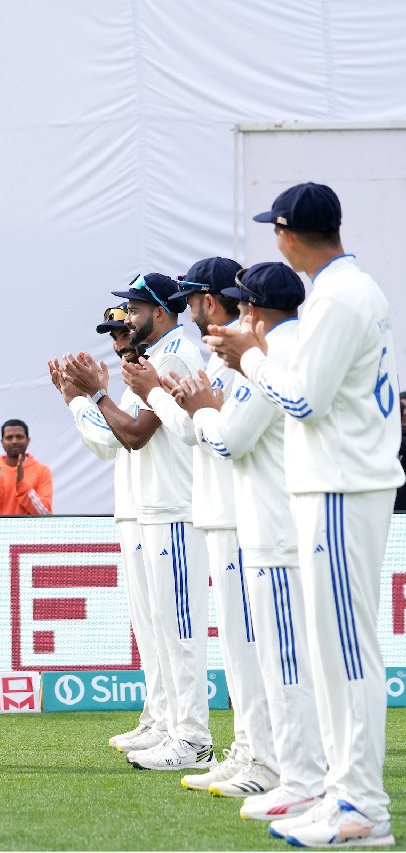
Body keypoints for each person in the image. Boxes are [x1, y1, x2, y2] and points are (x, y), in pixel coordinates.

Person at [206, 182, 401, 847]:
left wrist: (250, 359)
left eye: (275, 229)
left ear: (287, 234)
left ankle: (362, 806)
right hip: (336, 483)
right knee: (332, 652)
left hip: (341, 484)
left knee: (346, 652)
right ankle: (341, 792)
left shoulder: (338, 296)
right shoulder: (343, 291)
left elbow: (303, 401)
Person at [171, 262, 327, 824]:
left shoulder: (268, 356)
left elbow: (229, 440)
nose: (235, 315)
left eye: (241, 306)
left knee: (279, 659)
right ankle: (260, 756)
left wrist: (198, 410)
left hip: (268, 526)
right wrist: (204, 410)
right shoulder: (274, 352)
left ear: (252, 309)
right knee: (261, 655)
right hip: (263, 521)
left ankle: (288, 771)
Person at [129, 257, 277, 797]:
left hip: (234, 513)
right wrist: (171, 400)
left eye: (192, 299)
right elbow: (197, 426)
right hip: (218, 512)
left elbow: (204, 433)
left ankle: (258, 756)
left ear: (209, 301)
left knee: (246, 646)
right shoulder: (218, 356)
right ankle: (246, 750)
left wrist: (157, 394)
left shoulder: (233, 357)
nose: (189, 308)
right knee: (235, 647)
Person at [61, 272, 213, 772]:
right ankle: (167, 724)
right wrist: (84, 400)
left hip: (174, 510)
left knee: (179, 631)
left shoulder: (173, 358)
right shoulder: (151, 360)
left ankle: (193, 738)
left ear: (160, 312)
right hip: (153, 510)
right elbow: (115, 439)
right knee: (158, 629)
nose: (127, 318)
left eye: (134, 309)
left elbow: (132, 435)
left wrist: (93, 396)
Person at [50, 305, 168, 756]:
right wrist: (81, 399)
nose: (119, 343)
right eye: (113, 336)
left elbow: (116, 439)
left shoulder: (151, 375)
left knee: (163, 627)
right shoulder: (131, 383)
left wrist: (82, 399)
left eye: (123, 332)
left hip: (159, 510)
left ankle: (173, 725)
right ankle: (157, 717)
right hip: (137, 512)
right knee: (148, 626)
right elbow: (107, 443)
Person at [0, 419, 52, 517]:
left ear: (28, 440)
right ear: (2, 442)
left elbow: (45, 514)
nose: (14, 441)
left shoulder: (42, 471)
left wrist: (22, 485)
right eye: (9, 438)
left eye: (19, 437)